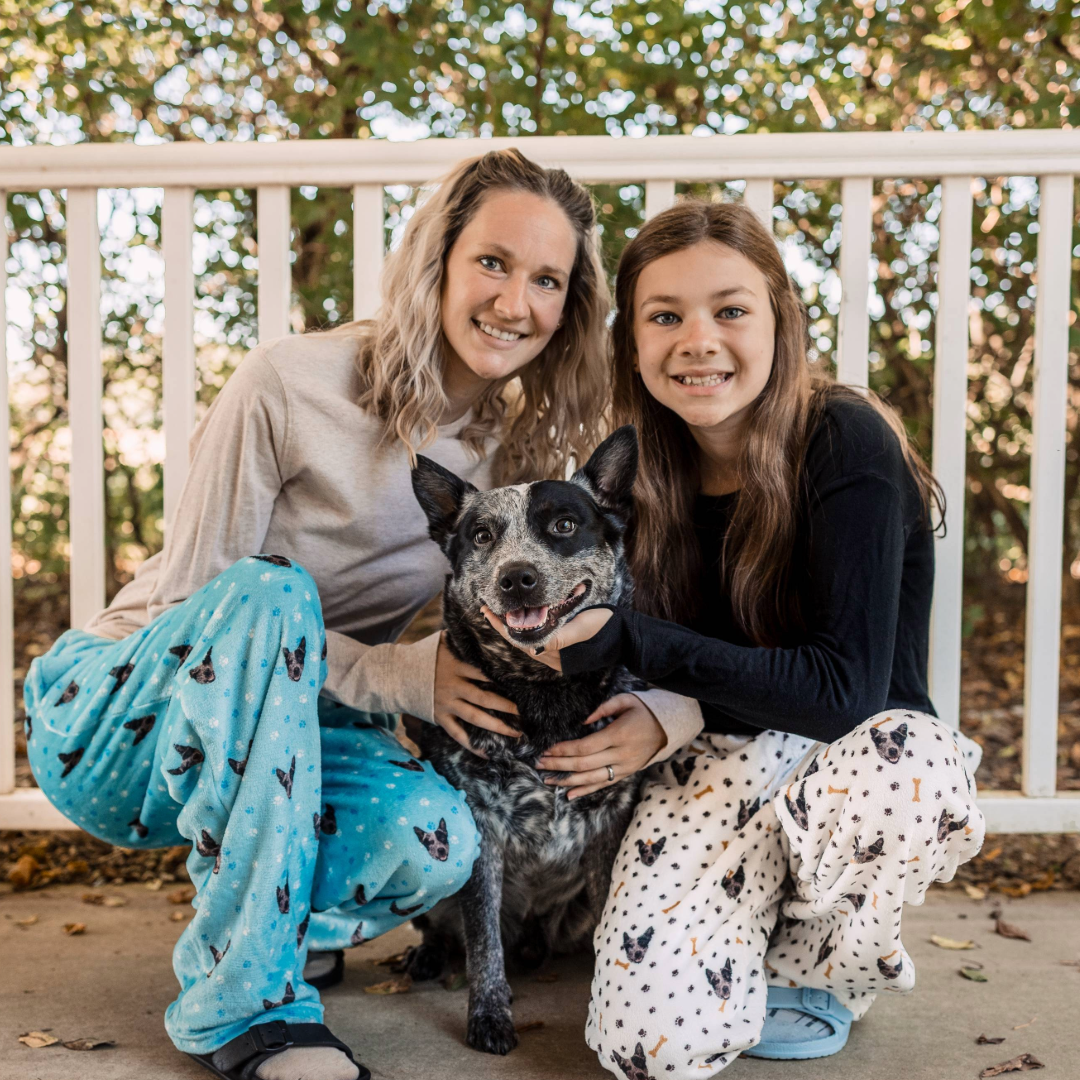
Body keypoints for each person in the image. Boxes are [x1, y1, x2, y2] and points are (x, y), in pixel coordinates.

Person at [23, 149, 703, 1080]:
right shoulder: (290, 383)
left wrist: (674, 707)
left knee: (441, 838)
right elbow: (198, 602)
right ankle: (251, 1012)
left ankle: (289, 916)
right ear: (438, 261)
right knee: (271, 588)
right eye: (494, 263)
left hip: (292, 741)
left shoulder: (516, 446)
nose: (516, 302)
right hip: (119, 716)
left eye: (547, 280)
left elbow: (616, 574)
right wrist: (399, 673)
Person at [483, 198, 986, 1076]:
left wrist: (636, 649)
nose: (697, 340)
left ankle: (821, 962)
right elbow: (656, 659)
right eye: (665, 316)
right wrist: (666, 711)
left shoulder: (844, 440)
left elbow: (846, 695)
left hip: (857, 759)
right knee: (647, 1048)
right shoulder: (640, 477)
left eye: (730, 310)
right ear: (632, 342)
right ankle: (735, 933)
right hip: (724, 752)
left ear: (780, 320)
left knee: (908, 763)